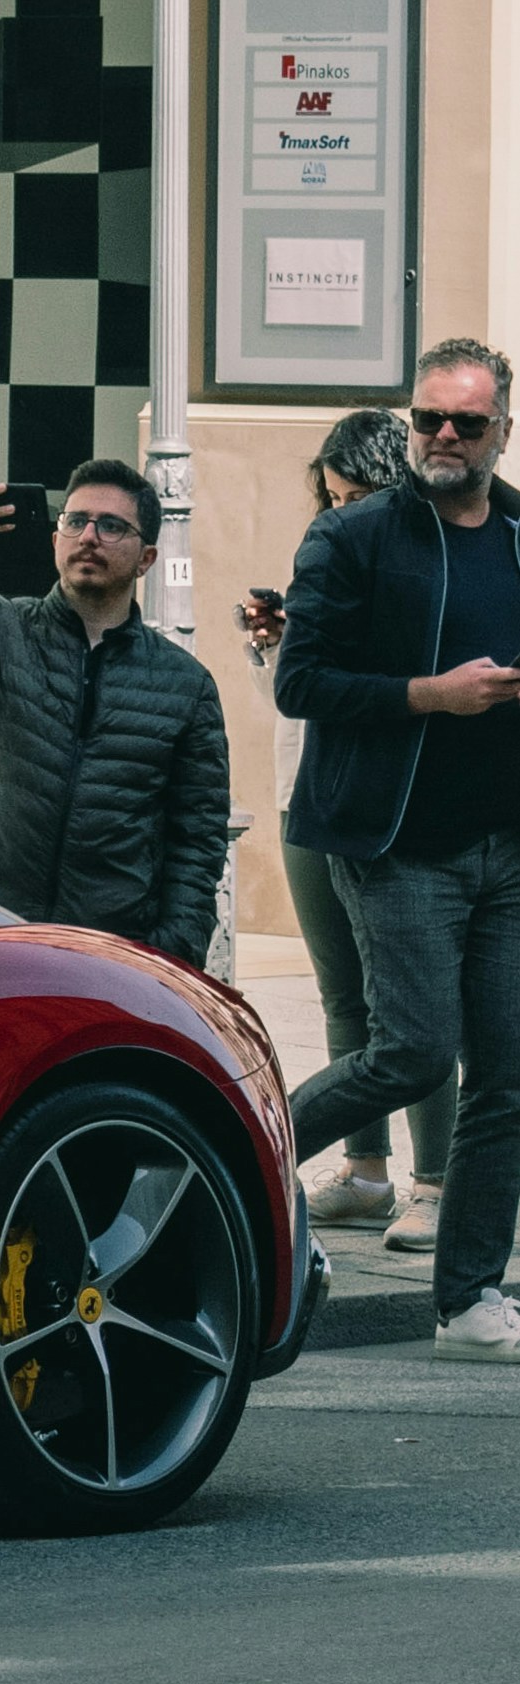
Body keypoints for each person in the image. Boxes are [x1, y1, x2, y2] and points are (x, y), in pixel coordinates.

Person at [277, 336, 520, 1356]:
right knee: (412, 1049)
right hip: (394, 844)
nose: (442, 437)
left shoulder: (515, 534)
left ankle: (466, 1300)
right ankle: (236, 1138)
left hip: (503, 850)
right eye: (426, 418)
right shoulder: (355, 537)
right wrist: (430, 695)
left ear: (499, 429)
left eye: (465, 422)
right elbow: (300, 682)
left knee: (505, 1075)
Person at [239, 407, 453, 1247]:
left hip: (394, 808)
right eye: (327, 499)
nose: (338, 514)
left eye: (354, 494)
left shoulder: (421, 567)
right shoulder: (328, 560)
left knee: (420, 1009)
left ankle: (435, 1179)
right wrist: (276, 648)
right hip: (308, 797)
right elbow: (292, 707)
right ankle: (365, 1172)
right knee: (344, 998)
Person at [0, 456, 232, 962]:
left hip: (110, 954)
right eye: (76, 521)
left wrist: (173, 952)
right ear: (56, 541)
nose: (89, 536)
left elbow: (197, 840)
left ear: (146, 558)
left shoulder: (185, 685)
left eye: (112, 526)